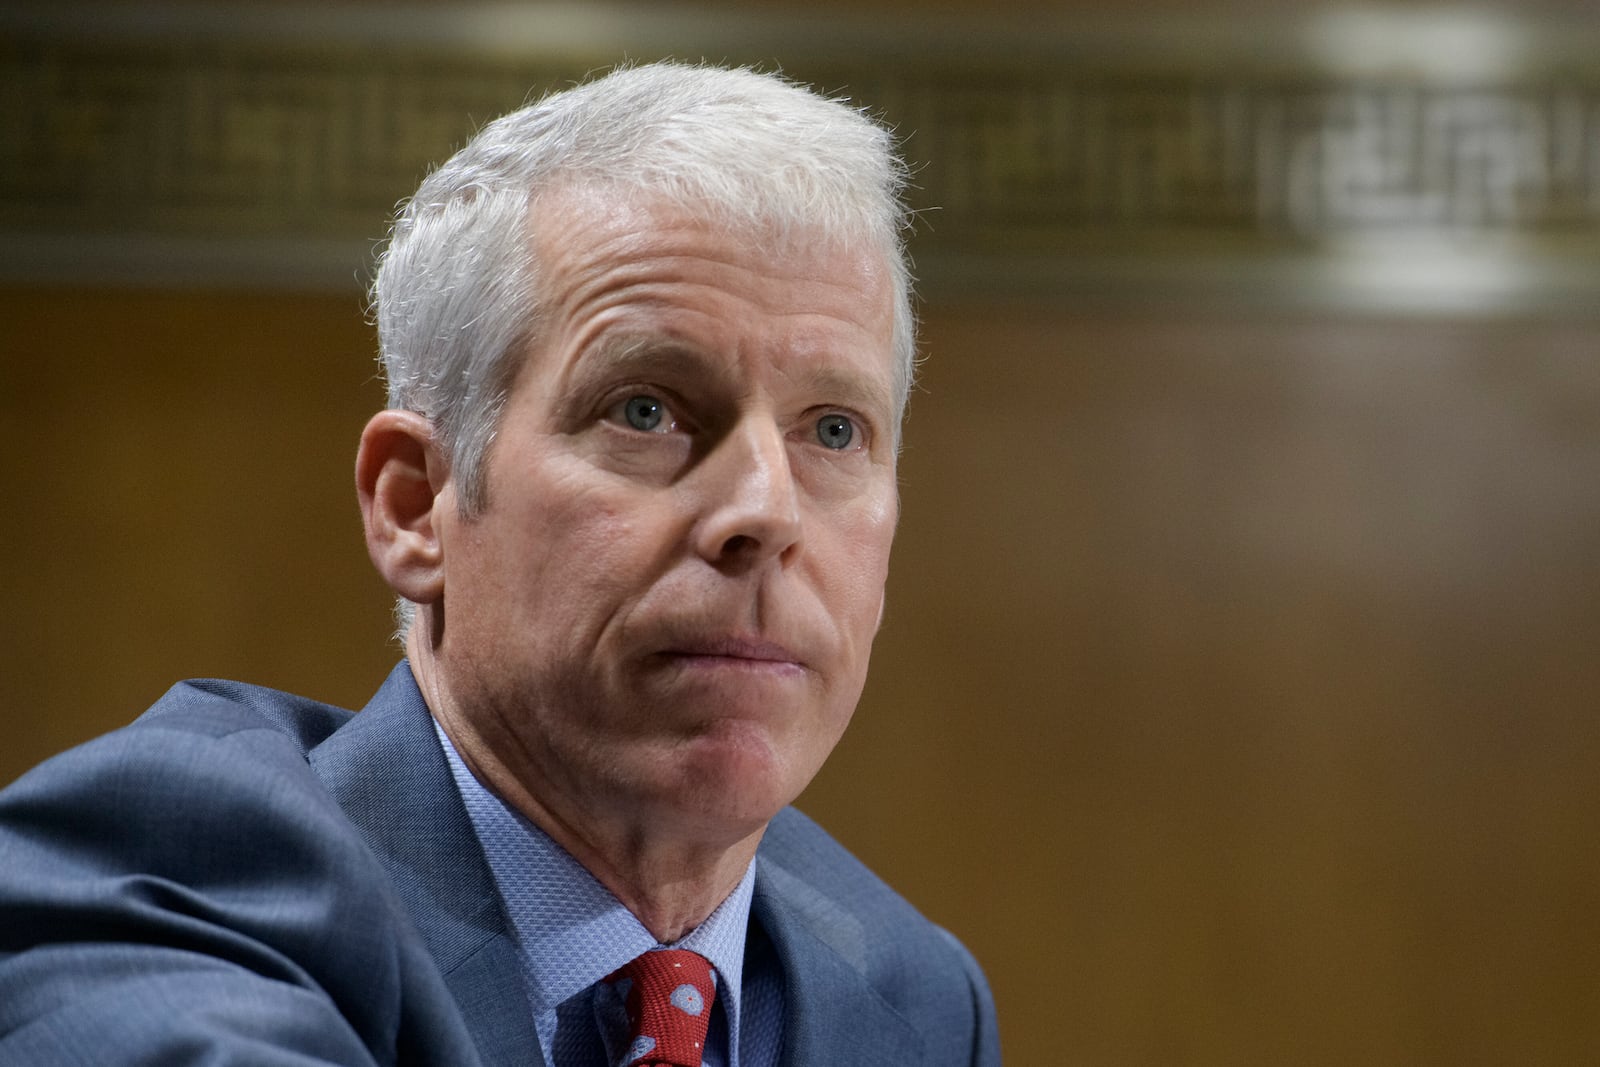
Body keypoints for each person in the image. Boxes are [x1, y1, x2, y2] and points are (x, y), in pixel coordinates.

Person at [0, 63, 999, 1066]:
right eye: (644, 408)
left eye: (833, 428)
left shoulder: (913, 997)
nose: (766, 511)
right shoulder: (170, 869)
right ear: (416, 505)